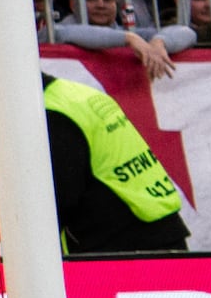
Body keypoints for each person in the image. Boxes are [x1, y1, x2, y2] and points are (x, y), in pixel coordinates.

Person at [43, 65, 192, 258]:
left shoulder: (51, 113)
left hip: (121, 252)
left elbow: (57, 200)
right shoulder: (75, 94)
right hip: (159, 232)